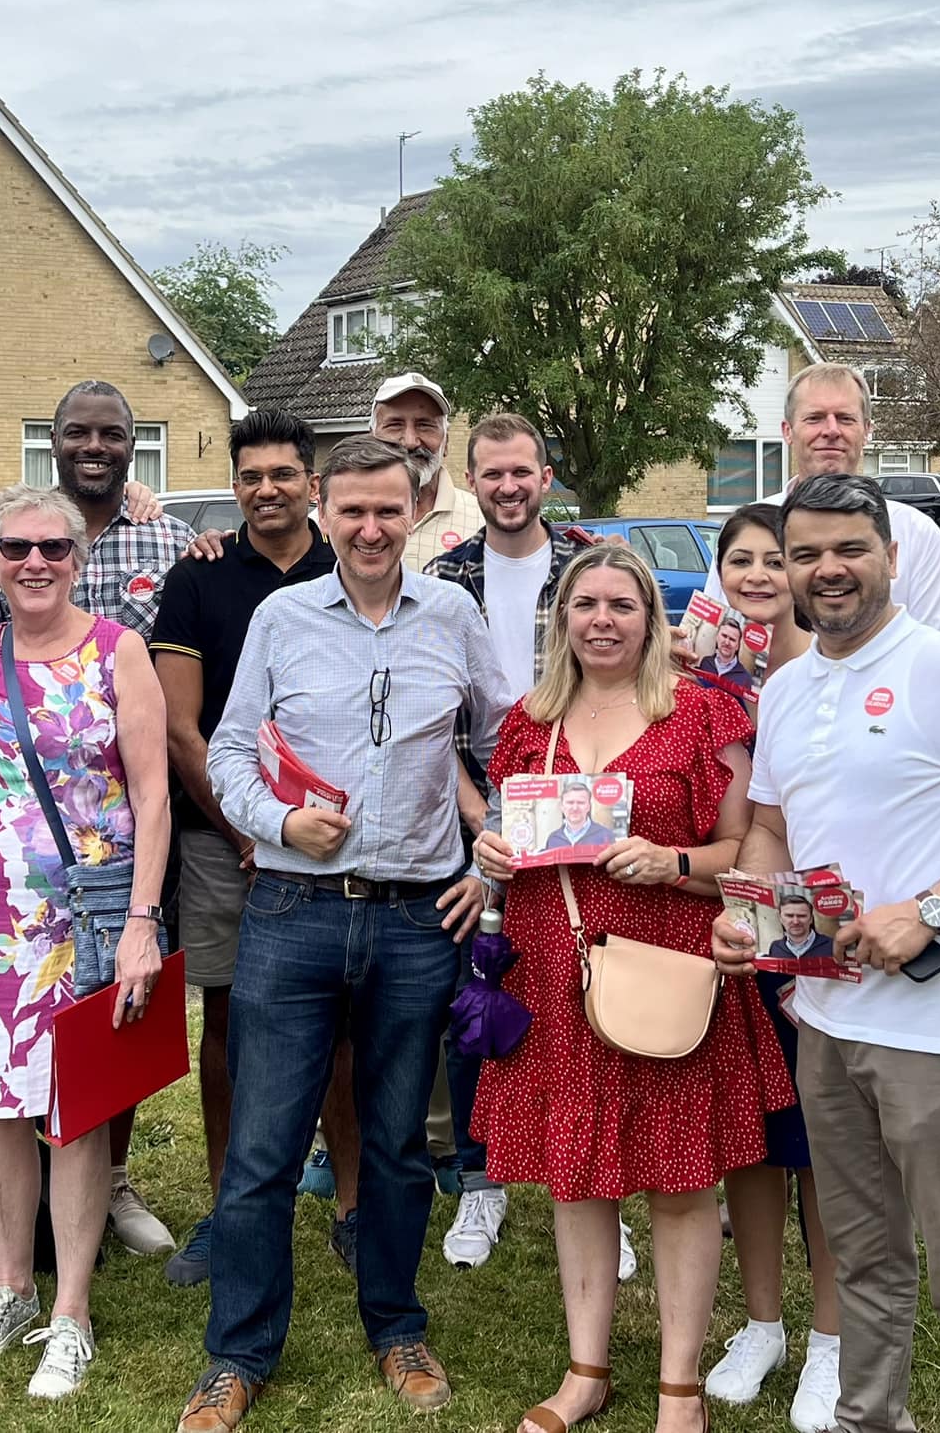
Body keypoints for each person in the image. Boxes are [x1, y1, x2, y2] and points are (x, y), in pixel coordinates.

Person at [713, 472, 940, 1433]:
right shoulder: (787, 689)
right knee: (866, 1262)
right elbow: (774, 830)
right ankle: (870, 1419)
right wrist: (746, 913)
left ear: (892, 555)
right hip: (828, 1017)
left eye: (848, 549)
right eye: (805, 554)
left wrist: (929, 908)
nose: (827, 570)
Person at [175, 434, 511, 1433]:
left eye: (389, 509)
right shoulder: (282, 616)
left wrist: (488, 852)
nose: (370, 528)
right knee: (264, 1147)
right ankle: (237, 1352)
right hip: (291, 909)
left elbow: (508, 741)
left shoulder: (453, 614)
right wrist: (274, 822)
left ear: (415, 510)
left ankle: (395, 1323)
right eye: (352, 510)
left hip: (415, 916)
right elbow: (230, 746)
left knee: (400, 1144)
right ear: (322, 508)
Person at [471, 540, 791, 1433]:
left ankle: (679, 1387)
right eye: (585, 605)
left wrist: (675, 857)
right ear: (561, 619)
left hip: (666, 963)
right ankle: (586, 1372)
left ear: (650, 618)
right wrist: (490, 851)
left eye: (621, 605)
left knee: (681, 1176)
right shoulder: (529, 721)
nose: (601, 621)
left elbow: (747, 848)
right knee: (577, 1178)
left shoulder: (697, 712)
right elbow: (504, 833)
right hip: (554, 965)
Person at [0, 484, 169, 1392]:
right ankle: (12, 1285)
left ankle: (70, 1310)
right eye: (16, 548)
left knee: (79, 1108)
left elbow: (152, 795)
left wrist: (142, 921)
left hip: (89, 917)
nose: (35, 563)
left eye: (54, 548)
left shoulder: (117, 652)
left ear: (77, 560)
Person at [0, 379, 190, 1256]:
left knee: (108, 1029)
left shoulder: (166, 536)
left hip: (113, 840)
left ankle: (109, 1186)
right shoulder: (8, 548)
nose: (96, 444)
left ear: (132, 445)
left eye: (114, 433)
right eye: (77, 432)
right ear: (51, 441)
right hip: (8, 843)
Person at [146, 408, 350, 1288]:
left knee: (343, 1027)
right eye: (250, 476)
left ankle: (352, 1204)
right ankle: (232, 1210)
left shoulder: (350, 563)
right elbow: (182, 729)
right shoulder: (200, 579)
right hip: (224, 840)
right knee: (229, 1022)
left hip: (337, 842)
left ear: (312, 482)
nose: (267, 489)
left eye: (283, 474)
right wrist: (247, 828)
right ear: (235, 487)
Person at [425, 412, 602, 1274]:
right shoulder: (442, 577)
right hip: (476, 821)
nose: (507, 486)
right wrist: (481, 817)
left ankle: (605, 1193)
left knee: (586, 996)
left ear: (544, 475)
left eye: (521, 472)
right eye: (490, 473)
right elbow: (430, 720)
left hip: (583, 817)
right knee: (475, 1003)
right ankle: (479, 1181)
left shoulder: (586, 567)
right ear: (472, 479)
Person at [697, 503, 842, 1431]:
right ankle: (763, 1323)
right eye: (739, 559)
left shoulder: (825, 672)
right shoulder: (699, 680)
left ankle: (832, 1340)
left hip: (830, 937)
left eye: (772, 559)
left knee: (826, 1147)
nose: (757, 574)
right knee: (749, 1142)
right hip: (742, 931)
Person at [702, 364, 940, 636]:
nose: (831, 430)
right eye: (815, 418)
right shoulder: (744, 529)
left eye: (845, 418)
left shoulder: (918, 534)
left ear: (867, 430)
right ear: (787, 431)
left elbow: (932, 649)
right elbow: (711, 637)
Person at [373, 371, 483, 573]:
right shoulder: (330, 520)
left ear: (446, 442)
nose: (410, 442)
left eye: (425, 425)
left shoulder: (482, 520)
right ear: (370, 438)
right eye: (394, 425)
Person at [701, 612, 755, 698]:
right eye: (724, 636)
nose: (727, 642)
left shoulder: (745, 678)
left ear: (737, 646)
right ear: (717, 637)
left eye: (732, 639)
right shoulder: (705, 662)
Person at [542, 781, 603, 849]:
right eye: (570, 803)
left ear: (589, 806)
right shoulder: (553, 839)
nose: (575, 808)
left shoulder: (604, 836)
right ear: (562, 806)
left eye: (581, 802)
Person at [768, 897, 822, 962]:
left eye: (802, 916)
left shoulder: (831, 946)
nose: (795, 922)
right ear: (780, 919)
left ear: (811, 919)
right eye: (789, 916)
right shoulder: (775, 948)